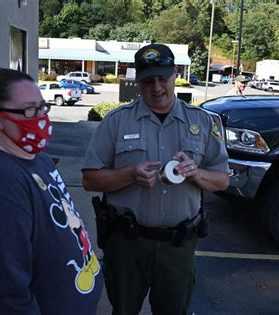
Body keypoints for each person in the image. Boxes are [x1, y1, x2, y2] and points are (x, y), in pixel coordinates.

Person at [82, 44, 230, 315]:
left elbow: (222, 180)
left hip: (178, 247)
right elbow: (90, 180)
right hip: (127, 246)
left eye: (163, 78)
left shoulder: (202, 122)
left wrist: (196, 173)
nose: (157, 87)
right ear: (137, 81)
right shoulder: (116, 122)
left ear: (176, 73)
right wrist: (129, 174)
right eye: (148, 81)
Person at [0, 68, 102, 314]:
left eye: (42, 108)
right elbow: (6, 293)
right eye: (29, 110)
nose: (41, 118)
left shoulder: (37, 159)